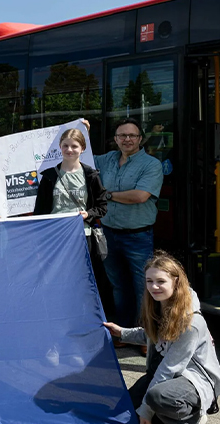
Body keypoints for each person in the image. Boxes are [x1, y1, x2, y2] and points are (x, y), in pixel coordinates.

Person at [104, 251, 220, 424]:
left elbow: (170, 369)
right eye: (149, 281)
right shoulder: (159, 304)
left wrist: (146, 410)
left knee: (156, 397)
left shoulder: (190, 322)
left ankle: (190, 422)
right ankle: (160, 415)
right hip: (165, 372)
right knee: (122, 422)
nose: (154, 286)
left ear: (176, 282)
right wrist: (121, 332)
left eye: (160, 281)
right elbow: (153, 335)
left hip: (191, 379)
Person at [87, 118, 164, 335]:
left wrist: (106, 195)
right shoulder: (106, 160)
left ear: (140, 139)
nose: (127, 139)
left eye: (132, 135)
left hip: (137, 237)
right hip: (109, 233)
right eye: (122, 135)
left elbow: (140, 196)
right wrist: (83, 131)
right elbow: (78, 157)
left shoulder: (151, 165)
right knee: (119, 287)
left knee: (144, 288)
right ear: (116, 139)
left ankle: (146, 336)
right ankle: (124, 332)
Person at [33, 128, 107, 275]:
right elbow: (39, 211)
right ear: (60, 146)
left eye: (74, 146)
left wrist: (88, 214)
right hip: (55, 237)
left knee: (82, 276)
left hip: (83, 236)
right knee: (56, 276)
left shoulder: (91, 175)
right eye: (65, 145)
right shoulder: (49, 176)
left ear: (83, 148)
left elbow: (102, 206)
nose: (69, 150)